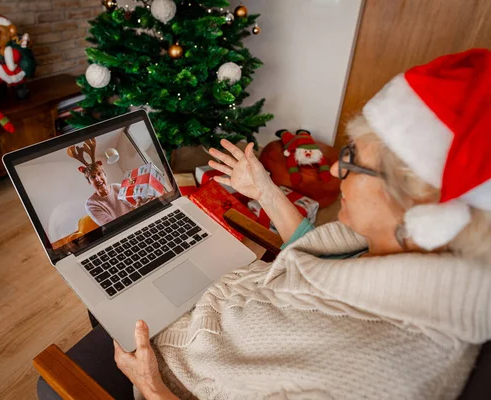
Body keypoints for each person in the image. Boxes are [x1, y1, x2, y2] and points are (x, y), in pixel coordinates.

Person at [109, 49, 491, 399]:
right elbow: (318, 265)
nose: (338, 168)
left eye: (354, 161)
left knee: (111, 282)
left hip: (179, 359)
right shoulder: (402, 253)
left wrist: (151, 386)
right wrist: (265, 191)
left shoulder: (381, 377)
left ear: (418, 210)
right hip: (227, 294)